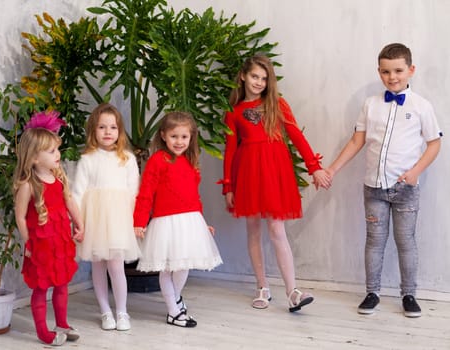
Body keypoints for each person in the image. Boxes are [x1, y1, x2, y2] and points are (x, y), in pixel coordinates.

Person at [325, 43, 442, 318]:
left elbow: (434, 144)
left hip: (405, 188)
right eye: (386, 71)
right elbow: (357, 141)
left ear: (410, 70)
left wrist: (415, 172)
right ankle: (372, 292)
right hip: (374, 188)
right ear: (379, 72)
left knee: (406, 241)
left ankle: (409, 294)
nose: (393, 77)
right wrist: (332, 169)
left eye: (399, 71)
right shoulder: (371, 105)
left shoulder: (422, 106)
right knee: (374, 241)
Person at [220, 53, 331, 312]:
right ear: (243, 76)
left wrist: (314, 168)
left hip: (274, 171)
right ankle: (262, 287)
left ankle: (292, 291)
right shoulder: (234, 113)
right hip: (247, 172)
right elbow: (230, 150)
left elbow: (296, 137)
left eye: (264, 78)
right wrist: (229, 186)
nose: (259, 82)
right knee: (253, 230)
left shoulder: (277, 104)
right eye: (255, 77)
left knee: (276, 230)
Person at [133, 111, 222, 328]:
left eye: (184, 137)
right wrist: (139, 221)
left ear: (191, 137)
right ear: (163, 135)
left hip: (190, 221)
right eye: (174, 136)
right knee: (167, 268)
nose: (179, 142)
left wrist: (203, 222)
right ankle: (173, 311)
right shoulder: (157, 160)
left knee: (184, 266)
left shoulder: (190, 161)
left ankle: (176, 299)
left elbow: (194, 195)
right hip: (166, 222)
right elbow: (146, 192)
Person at [13, 111, 84, 346]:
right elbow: (21, 216)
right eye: (51, 151)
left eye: (57, 149)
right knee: (42, 288)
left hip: (60, 241)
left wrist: (80, 223)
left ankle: (62, 323)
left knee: (62, 284)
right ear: (34, 157)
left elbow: (70, 201)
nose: (58, 154)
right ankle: (43, 332)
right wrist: (28, 243)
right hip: (41, 245)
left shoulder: (59, 178)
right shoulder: (28, 185)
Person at [72, 103, 141, 331]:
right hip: (95, 221)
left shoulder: (127, 159)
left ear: (120, 131)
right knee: (98, 267)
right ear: (93, 131)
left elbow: (134, 192)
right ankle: (105, 311)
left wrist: (133, 221)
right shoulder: (88, 159)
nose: (108, 132)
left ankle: (122, 311)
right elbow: (77, 194)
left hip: (119, 222)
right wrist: (78, 223)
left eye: (113, 127)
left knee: (117, 266)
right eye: (102, 127)